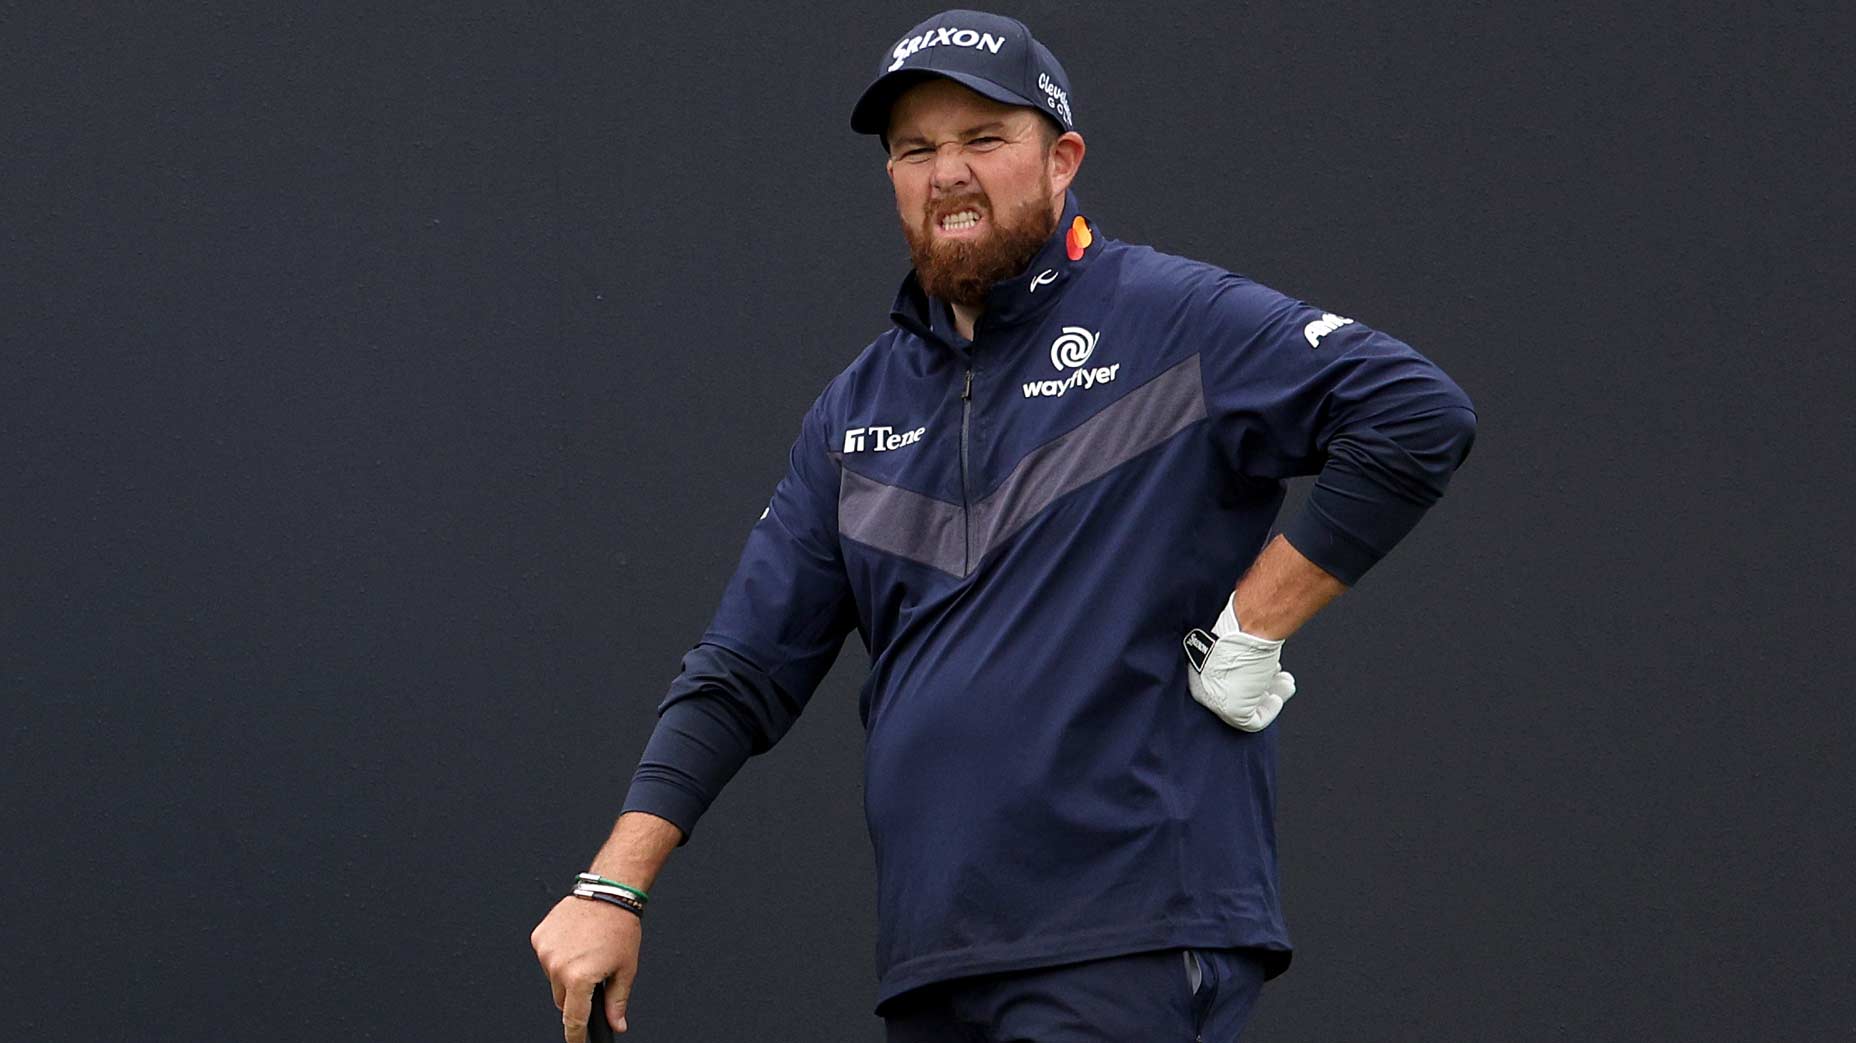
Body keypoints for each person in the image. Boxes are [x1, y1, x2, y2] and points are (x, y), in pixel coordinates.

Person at [531, 10, 1478, 1041]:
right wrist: (611, 885)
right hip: (938, 957)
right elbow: (743, 668)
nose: (946, 173)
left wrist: (1254, 625)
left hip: (1129, 931)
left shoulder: (1169, 319)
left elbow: (1413, 412)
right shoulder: (854, 410)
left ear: (1061, 158)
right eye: (915, 149)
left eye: (982, 139)